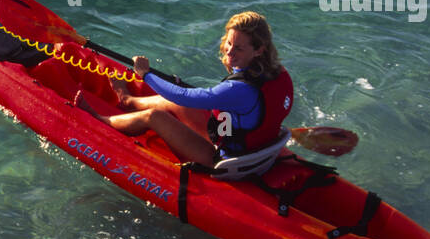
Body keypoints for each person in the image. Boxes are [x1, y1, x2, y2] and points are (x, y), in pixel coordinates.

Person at [74, 11, 293, 166]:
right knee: (171, 102)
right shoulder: (278, 73)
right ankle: (128, 101)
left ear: (258, 50)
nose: (229, 52)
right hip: (256, 148)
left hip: (229, 160)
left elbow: (184, 96)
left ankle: (99, 119)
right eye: (229, 43)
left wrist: (146, 75)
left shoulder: (239, 90)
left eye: (239, 48)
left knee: (155, 116)